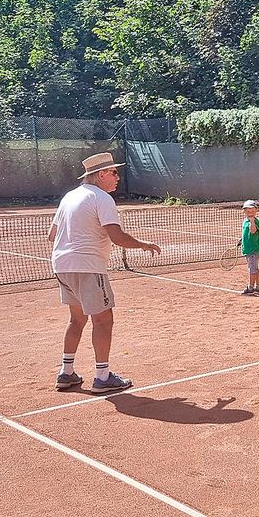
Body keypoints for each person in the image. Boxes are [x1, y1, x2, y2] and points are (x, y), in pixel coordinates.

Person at [49, 152, 161, 393]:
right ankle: (102, 376)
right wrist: (143, 244)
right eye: (113, 172)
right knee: (103, 321)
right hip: (87, 266)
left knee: (77, 320)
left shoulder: (69, 197)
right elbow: (117, 236)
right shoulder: (102, 198)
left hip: (61, 265)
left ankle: (66, 373)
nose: (117, 177)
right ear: (100, 175)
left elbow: (52, 235)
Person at [241, 200, 259, 295]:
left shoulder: (255, 221)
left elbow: (253, 231)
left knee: (252, 270)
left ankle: (250, 288)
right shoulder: (245, 221)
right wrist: (241, 240)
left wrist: (252, 222)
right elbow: (246, 233)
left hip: (253, 250)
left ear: (256, 211)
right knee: (255, 269)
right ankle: (258, 287)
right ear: (244, 212)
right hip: (247, 248)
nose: (250, 213)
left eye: (252, 211)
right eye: (248, 211)